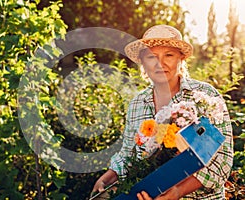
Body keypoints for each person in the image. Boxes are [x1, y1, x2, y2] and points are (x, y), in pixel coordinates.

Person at [91, 25, 233, 199]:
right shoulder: (137, 103)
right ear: (143, 62)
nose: (160, 63)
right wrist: (107, 178)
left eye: (169, 55)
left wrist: (178, 191)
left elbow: (223, 160)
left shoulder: (205, 96)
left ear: (181, 59)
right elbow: (128, 155)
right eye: (152, 57)